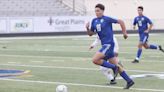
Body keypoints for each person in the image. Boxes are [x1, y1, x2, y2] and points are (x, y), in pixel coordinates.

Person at [86, 3, 134, 89]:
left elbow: (121, 21)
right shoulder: (94, 21)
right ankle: (129, 81)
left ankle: (114, 68)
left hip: (108, 45)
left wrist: (124, 33)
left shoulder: (107, 19)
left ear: (102, 11)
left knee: (95, 60)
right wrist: (87, 28)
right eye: (95, 11)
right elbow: (90, 34)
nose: (96, 12)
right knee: (116, 65)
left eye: (98, 11)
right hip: (105, 45)